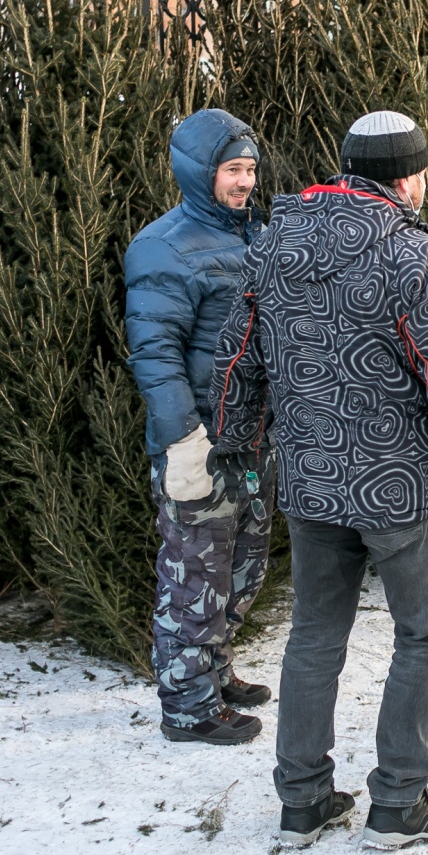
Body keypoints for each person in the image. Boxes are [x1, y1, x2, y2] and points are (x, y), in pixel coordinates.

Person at [209, 110, 428, 850]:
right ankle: (399, 802)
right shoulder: (414, 260)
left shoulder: (272, 245)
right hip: (399, 487)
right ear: (409, 177)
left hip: (310, 483)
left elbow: (236, 360)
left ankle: (303, 799)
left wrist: (235, 445)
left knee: (314, 634)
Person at [125, 109, 276, 746]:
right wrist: (182, 441)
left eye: (249, 169)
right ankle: (187, 704)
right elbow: (155, 353)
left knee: (245, 565)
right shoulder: (162, 247)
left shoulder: (257, 236)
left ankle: (212, 668)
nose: (244, 182)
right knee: (195, 571)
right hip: (200, 440)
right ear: (198, 172)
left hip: (252, 436)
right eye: (232, 170)